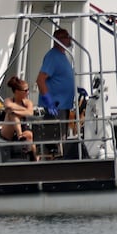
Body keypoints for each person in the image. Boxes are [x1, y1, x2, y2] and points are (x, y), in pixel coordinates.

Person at [36, 28, 76, 156]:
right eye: (66, 36)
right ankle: (53, 160)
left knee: (62, 138)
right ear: (58, 40)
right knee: (54, 139)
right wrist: (48, 100)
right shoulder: (52, 56)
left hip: (64, 106)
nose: (69, 39)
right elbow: (40, 79)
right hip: (55, 107)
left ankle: (60, 157)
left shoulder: (63, 56)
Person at [0, 75, 37, 160]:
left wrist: (16, 110)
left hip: (23, 130)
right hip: (8, 133)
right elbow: (8, 105)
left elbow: (30, 112)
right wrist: (23, 111)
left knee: (29, 134)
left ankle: (33, 159)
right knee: (11, 113)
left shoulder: (28, 102)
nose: (27, 92)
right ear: (17, 91)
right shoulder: (8, 100)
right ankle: (19, 134)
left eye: (28, 90)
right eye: (25, 90)